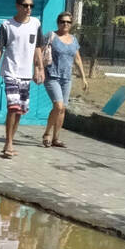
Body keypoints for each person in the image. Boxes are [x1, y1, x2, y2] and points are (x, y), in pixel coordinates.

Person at [0, 0, 45, 158]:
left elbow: (38, 48)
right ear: (17, 6)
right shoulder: (7, 25)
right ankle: (8, 143)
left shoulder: (35, 24)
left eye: (31, 6)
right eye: (25, 5)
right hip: (10, 71)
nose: (28, 9)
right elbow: (0, 49)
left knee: (20, 110)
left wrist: (39, 69)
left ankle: (11, 140)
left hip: (26, 74)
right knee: (12, 107)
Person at [41, 11, 89, 147]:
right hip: (52, 76)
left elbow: (77, 59)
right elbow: (39, 52)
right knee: (58, 105)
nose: (65, 24)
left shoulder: (74, 39)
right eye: (63, 21)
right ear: (58, 22)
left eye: (68, 22)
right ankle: (47, 133)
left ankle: (56, 138)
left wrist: (83, 78)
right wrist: (38, 70)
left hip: (66, 78)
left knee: (62, 109)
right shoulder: (51, 36)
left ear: (71, 24)